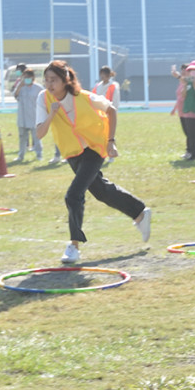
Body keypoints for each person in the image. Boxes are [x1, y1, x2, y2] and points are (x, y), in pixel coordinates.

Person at [34, 60, 151, 265]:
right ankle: (140, 213)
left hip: (94, 148)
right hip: (72, 152)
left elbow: (111, 109)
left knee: (73, 195)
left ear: (65, 80)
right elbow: (40, 133)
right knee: (100, 191)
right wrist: (52, 112)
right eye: (46, 80)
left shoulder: (84, 97)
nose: (49, 84)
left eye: (54, 80)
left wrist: (111, 142)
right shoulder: (43, 99)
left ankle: (74, 246)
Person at [12, 67, 42, 162]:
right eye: (25, 77)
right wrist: (20, 86)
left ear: (32, 77)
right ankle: (21, 155)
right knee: (22, 137)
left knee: (36, 137)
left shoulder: (38, 88)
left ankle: (39, 154)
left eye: (28, 77)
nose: (26, 79)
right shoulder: (21, 88)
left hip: (34, 116)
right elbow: (15, 96)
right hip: (22, 117)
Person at [170, 62, 191, 159]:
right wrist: (174, 109)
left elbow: (186, 82)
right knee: (187, 132)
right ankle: (189, 151)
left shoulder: (190, 81)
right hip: (181, 111)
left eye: (185, 70)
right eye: (182, 70)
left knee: (190, 132)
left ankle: (191, 151)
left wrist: (178, 76)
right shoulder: (181, 83)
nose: (183, 72)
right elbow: (179, 98)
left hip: (189, 111)